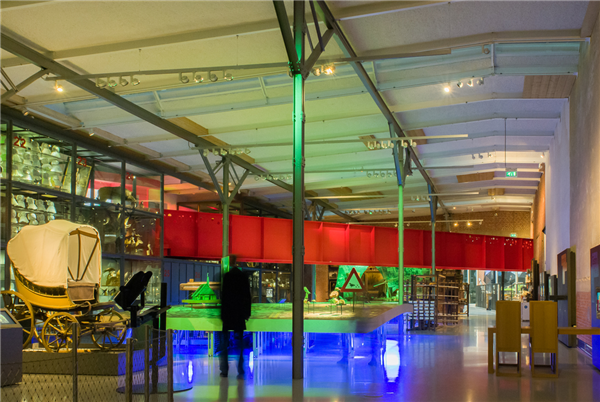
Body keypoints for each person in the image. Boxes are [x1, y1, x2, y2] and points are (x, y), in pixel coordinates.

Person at [219, 256, 252, 378]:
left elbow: (224, 297)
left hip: (228, 313)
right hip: (239, 313)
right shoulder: (243, 277)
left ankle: (224, 370)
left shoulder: (226, 277)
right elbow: (247, 296)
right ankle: (240, 369)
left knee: (224, 342)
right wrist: (247, 313)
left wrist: (222, 314)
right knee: (240, 342)